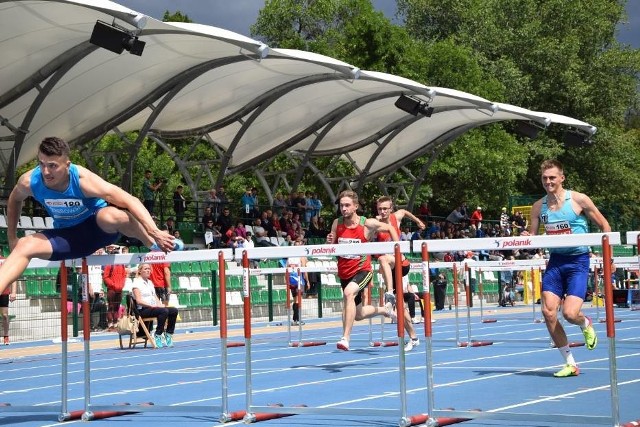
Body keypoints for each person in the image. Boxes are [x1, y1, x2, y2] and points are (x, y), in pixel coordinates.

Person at [0, 137, 176, 298]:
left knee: (113, 215)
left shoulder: (84, 181)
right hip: (68, 238)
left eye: (53, 165)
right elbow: (14, 199)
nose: (46, 172)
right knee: (24, 245)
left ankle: (150, 243)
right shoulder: (30, 181)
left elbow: (130, 200)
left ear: (67, 165)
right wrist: (12, 238)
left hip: (98, 229)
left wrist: (155, 231)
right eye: (41, 164)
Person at [523, 159, 610, 378]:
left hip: (578, 261)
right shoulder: (538, 207)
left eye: (552, 177)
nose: (548, 182)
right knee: (548, 311)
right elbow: (532, 236)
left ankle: (584, 321)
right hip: (556, 261)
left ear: (562, 178)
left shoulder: (579, 199)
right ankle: (570, 363)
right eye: (544, 178)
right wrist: (526, 237)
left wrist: (609, 255)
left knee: (570, 313)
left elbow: (604, 225)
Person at [326, 190, 399, 351]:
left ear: (355, 206)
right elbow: (332, 244)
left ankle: (345, 338)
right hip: (344, 273)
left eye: (347, 205)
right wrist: (330, 240)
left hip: (362, 271)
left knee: (348, 294)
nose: (343, 209)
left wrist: (398, 249)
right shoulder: (336, 223)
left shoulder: (367, 224)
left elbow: (389, 228)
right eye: (341, 205)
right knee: (358, 315)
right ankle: (385, 309)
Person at [375, 196, 425, 309]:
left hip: (401, 263)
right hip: (389, 268)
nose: (382, 212)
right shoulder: (376, 223)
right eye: (379, 209)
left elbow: (404, 212)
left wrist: (418, 221)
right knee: (399, 303)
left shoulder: (395, 218)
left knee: (382, 259)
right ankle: (407, 320)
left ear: (391, 208)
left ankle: (389, 292)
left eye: (385, 209)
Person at [131, 263, 178, 348]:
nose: (148, 270)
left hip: (153, 308)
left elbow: (155, 297)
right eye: (145, 269)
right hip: (143, 310)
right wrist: (151, 306)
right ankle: (158, 334)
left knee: (173, 310)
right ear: (140, 271)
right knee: (163, 311)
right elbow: (138, 301)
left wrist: (160, 305)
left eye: (149, 269)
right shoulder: (136, 283)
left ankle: (169, 333)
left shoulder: (150, 282)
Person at [103, 246, 129, 331]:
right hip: (112, 289)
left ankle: (116, 323)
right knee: (111, 306)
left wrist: (121, 285)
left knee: (117, 306)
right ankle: (110, 324)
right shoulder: (109, 265)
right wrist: (113, 285)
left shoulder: (122, 265)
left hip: (119, 289)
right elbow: (106, 277)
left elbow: (124, 276)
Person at [287, 240, 309, 326]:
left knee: (294, 300)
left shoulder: (290, 257)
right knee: (299, 300)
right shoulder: (301, 256)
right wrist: (307, 281)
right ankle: (297, 319)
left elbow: (286, 269)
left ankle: (294, 319)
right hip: (299, 280)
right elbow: (304, 270)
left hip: (291, 280)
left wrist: (287, 281)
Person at [0, 260, 17, 345]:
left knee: (5, 315)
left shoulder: (5, 261)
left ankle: (6, 336)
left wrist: (13, 292)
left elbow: (13, 277)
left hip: (4, 292)